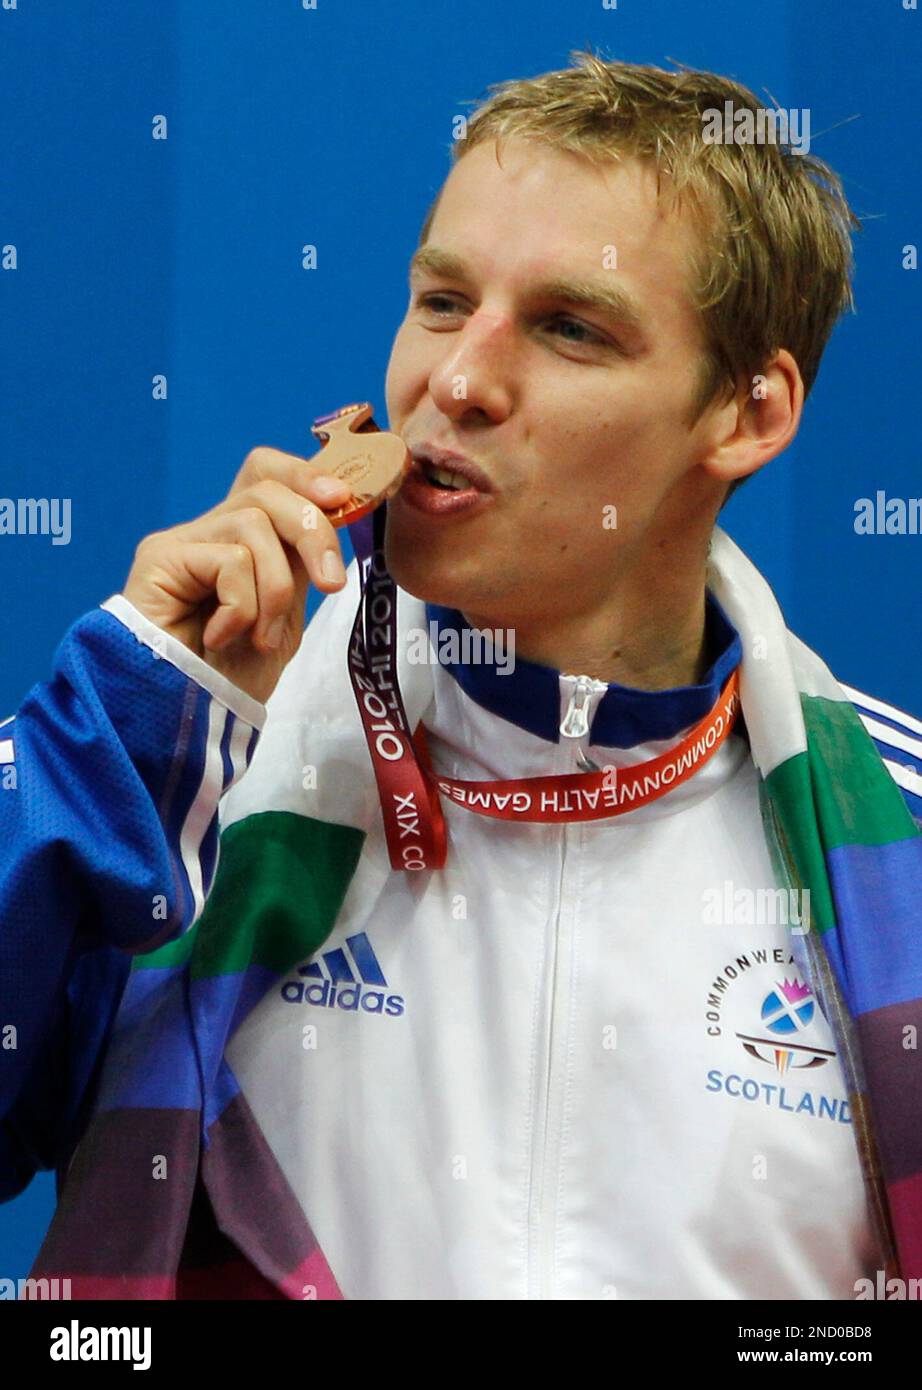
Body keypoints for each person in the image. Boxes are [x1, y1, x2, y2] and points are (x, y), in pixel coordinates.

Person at [2, 51, 921, 1301]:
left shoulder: (901, 843)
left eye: (568, 328)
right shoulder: (178, 766)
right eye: (442, 301)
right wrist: (113, 732)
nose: (456, 381)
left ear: (747, 414)